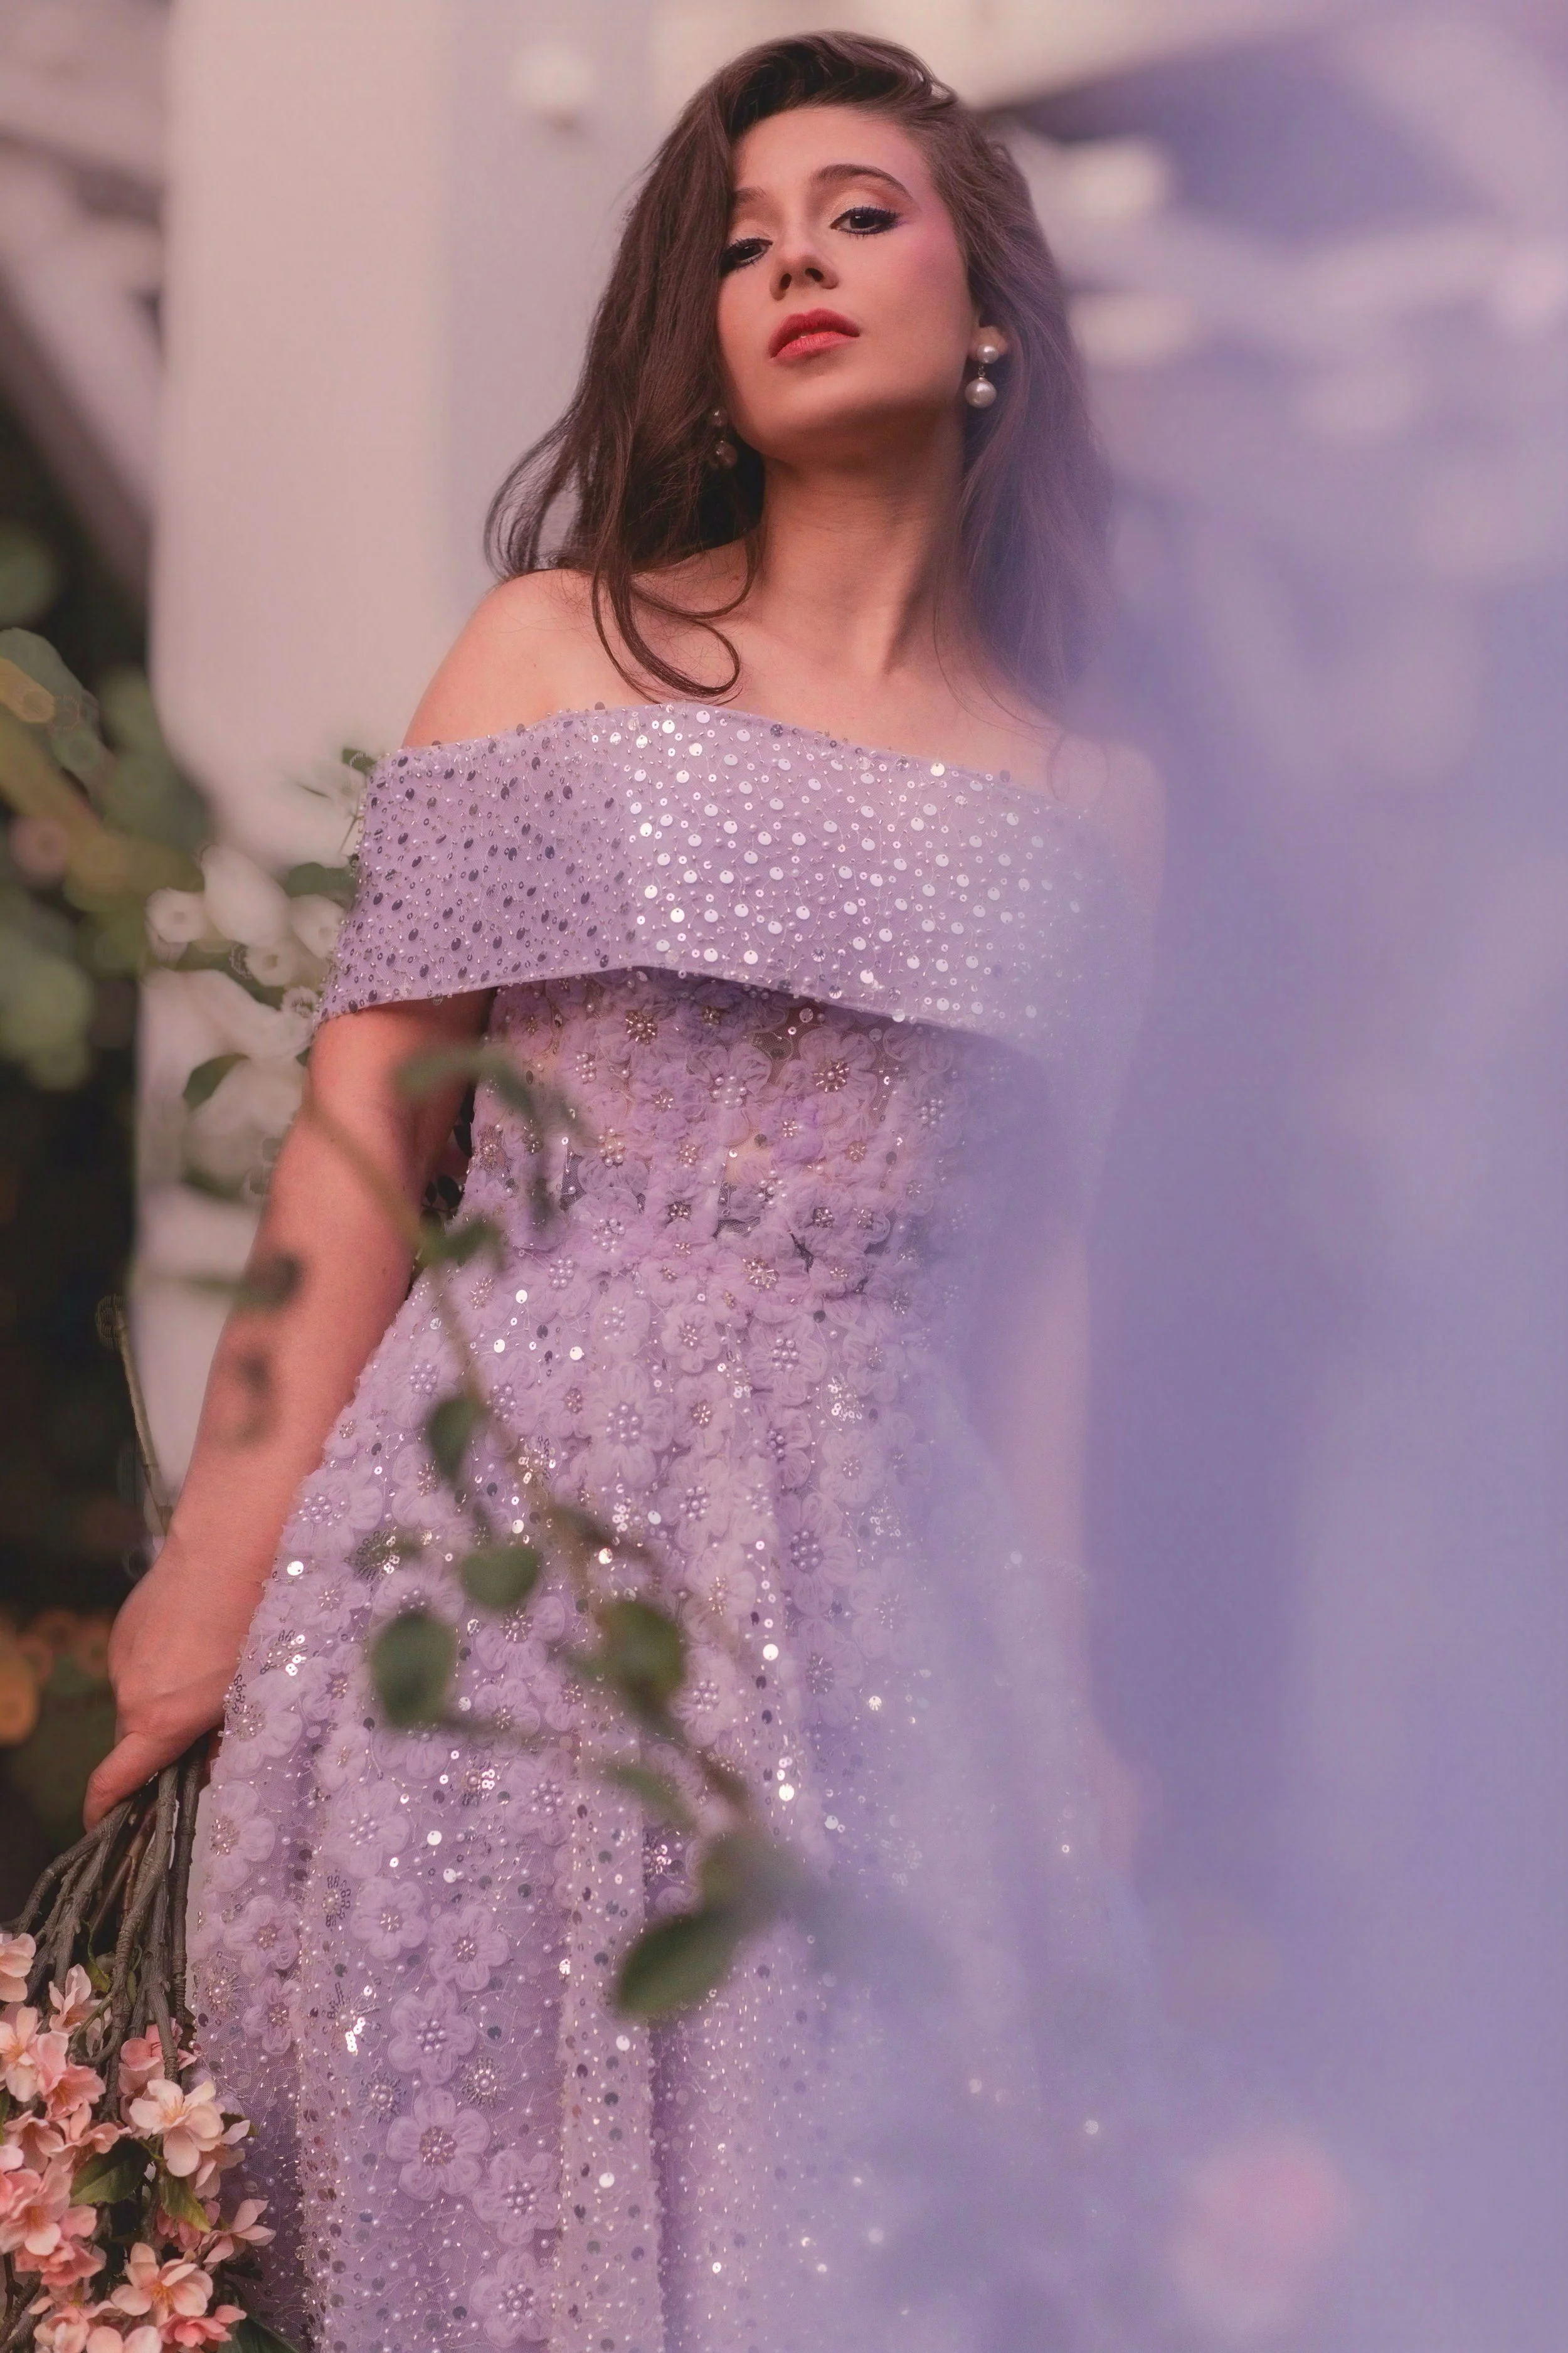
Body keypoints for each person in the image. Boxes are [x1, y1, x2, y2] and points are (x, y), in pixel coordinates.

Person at [90, 33, 1162, 2353]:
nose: (789, 266)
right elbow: (370, 1121)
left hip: (888, 1610)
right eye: (742, 244)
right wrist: (208, 1566)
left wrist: (1066, 1689)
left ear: (987, 307)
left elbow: (1047, 1280)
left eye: (856, 216)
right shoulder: (555, 651)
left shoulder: (1100, 798)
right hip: (498, 1556)